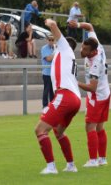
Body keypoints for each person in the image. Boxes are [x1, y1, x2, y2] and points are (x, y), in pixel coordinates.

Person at [34, 18, 81, 174]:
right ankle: (71, 165)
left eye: (56, 41)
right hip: (74, 99)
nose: (54, 41)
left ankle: (51, 167)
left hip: (65, 95)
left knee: (40, 130)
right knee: (58, 131)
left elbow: (54, 26)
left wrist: (49, 21)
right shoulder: (65, 56)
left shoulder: (64, 49)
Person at [69, 20, 110, 167]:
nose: (82, 51)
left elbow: (92, 88)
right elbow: (90, 26)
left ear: (93, 52)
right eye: (82, 47)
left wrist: (74, 82)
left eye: (85, 50)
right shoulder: (95, 43)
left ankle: (93, 160)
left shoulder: (95, 64)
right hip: (105, 93)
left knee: (90, 127)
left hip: (97, 97)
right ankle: (102, 159)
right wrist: (78, 25)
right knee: (99, 128)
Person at [40, 35, 55, 109]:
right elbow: (48, 59)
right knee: (46, 89)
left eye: (52, 40)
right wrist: (55, 53)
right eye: (50, 40)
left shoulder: (55, 48)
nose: (51, 41)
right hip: (46, 73)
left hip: (54, 73)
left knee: (52, 90)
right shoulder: (44, 48)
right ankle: (45, 105)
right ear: (47, 40)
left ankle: (52, 105)